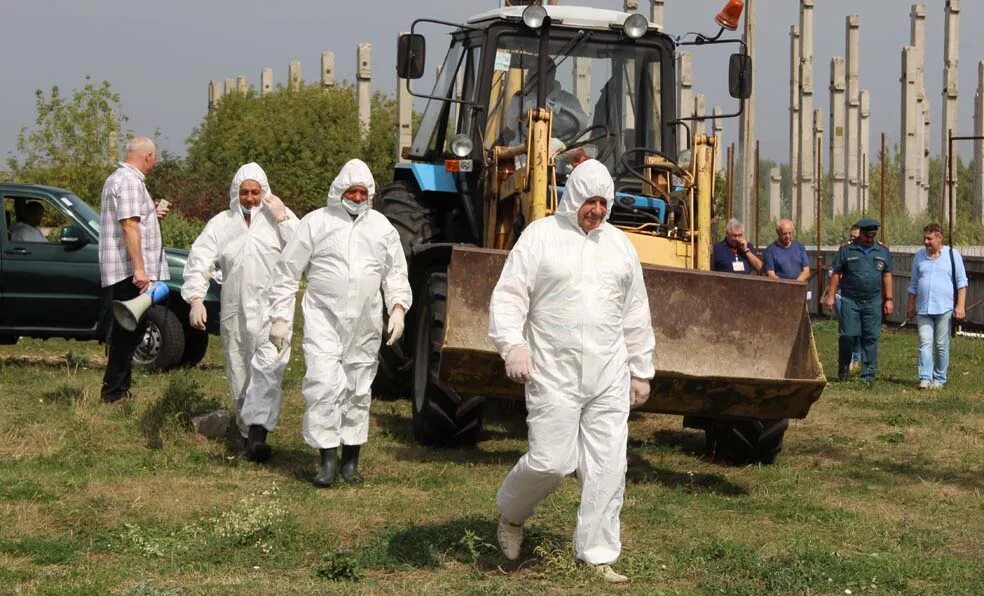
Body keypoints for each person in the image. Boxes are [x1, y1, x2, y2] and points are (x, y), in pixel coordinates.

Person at [489, 159, 655, 584]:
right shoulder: (540, 237)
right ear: (572, 198)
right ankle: (512, 514)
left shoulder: (620, 246)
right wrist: (513, 344)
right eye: (589, 201)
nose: (597, 210)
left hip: (608, 374)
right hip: (553, 372)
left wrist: (641, 370)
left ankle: (598, 554)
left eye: (603, 202)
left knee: (608, 466)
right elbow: (509, 295)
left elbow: (635, 312)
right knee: (550, 462)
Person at [266, 159, 411, 487]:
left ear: (370, 194)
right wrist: (279, 317)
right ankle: (327, 460)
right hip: (324, 319)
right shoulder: (315, 223)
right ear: (339, 191)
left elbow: (395, 272)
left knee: (358, 388)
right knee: (324, 384)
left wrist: (399, 308)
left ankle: (351, 461)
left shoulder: (381, 228)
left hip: (365, 322)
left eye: (363, 192)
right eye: (352, 191)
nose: (357, 197)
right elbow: (288, 271)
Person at [182, 163, 298, 459]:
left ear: (265, 192)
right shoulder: (221, 224)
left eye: (255, 192)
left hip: (273, 310)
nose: (250, 198)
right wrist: (196, 298)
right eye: (245, 192)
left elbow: (301, 249)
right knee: (240, 370)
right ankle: (248, 435)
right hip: (234, 310)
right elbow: (199, 259)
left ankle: (259, 435)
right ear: (236, 193)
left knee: (268, 370)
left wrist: (283, 217)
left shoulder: (278, 219)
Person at [97, 137, 170, 403]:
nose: (155, 163)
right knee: (128, 331)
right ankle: (114, 392)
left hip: (127, 269)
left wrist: (151, 213)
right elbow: (129, 225)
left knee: (130, 330)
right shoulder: (128, 181)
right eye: (155, 158)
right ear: (148, 156)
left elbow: (134, 219)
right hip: (130, 271)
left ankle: (119, 388)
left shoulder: (120, 180)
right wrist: (140, 270)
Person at [821, 218, 893, 384]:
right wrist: (830, 296)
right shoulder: (847, 251)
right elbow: (836, 274)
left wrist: (889, 299)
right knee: (848, 335)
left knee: (871, 336)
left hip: (873, 301)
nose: (869, 239)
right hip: (850, 300)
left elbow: (887, 274)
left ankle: (868, 375)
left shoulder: (882, 251)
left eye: (872, 235)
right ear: (860, 233)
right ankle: (844, 370)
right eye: (867, 235)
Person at [905, 223, 968, 389]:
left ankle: (939, 378)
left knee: (941, 344)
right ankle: (925, 378)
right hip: (924, 308)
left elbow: (961, 283)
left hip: (944, 308)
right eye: (924, 238)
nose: (926, 242)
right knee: (924, 342)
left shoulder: (952, 255)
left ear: (939, 238)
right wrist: (910, 305)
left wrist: (960, 306)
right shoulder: (919, 256)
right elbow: (913, 283)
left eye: (929, 238)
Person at [502, 59, 589, 146]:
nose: (539, 78)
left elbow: (583, 123)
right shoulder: (520, 98)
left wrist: (559, 109)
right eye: (535, 73)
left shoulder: (568, 99)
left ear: (552, 75)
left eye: (545, 73)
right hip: (523, 151)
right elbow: (511, 123)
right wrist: (529, 108)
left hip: (561, 152)